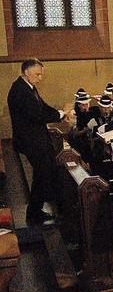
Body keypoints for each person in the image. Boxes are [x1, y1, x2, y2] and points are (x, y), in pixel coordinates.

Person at [7, 59, 74, 223]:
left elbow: (44, 107)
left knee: (45, 173)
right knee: (42, 174)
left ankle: (46, 209)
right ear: (26, 72)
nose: (40, 78)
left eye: (41, 74)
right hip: (30, 141)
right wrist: (60, 113)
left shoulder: (29, 88)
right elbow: (37, 115)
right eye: (37, 74)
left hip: (38, 140)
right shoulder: (19, 91)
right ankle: (34, 213)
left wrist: (61, 114)